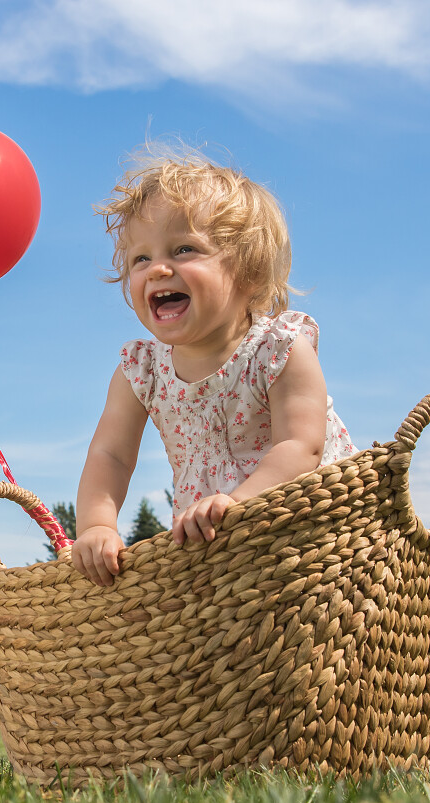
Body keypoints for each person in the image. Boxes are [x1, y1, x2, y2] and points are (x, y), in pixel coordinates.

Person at [72, 147, 356, 586]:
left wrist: (238, 502)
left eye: (184, 249)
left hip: (311, 525)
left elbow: (302, 447)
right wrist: (96, 525)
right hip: (210, 538)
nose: (157, 269)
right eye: (139, 258)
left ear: (249, 272)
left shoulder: (277, 348)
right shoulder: (142, 371)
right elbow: (110, 454)